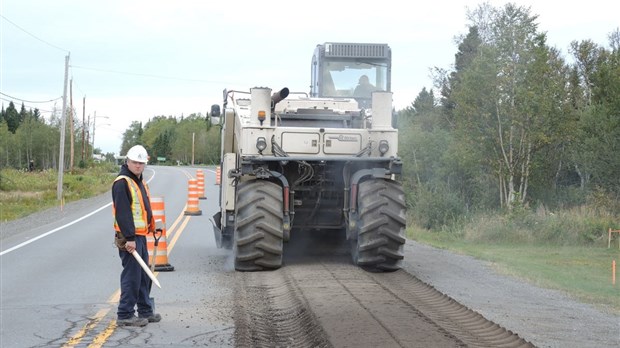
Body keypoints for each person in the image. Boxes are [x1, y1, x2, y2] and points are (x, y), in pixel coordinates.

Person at [112, 144, 161, 327]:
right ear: (127, 162)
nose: (138, 166)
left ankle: (145, 310)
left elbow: (143, 208)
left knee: (143, 275)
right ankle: (125, 314)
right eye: (134, 162)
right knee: (132, 276)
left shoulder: (138, 181)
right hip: (129, 237)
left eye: (141, 163)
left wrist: (152, 226)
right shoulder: (122, 182)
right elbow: (123, 213)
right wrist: (130, 239)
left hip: (140, 235)